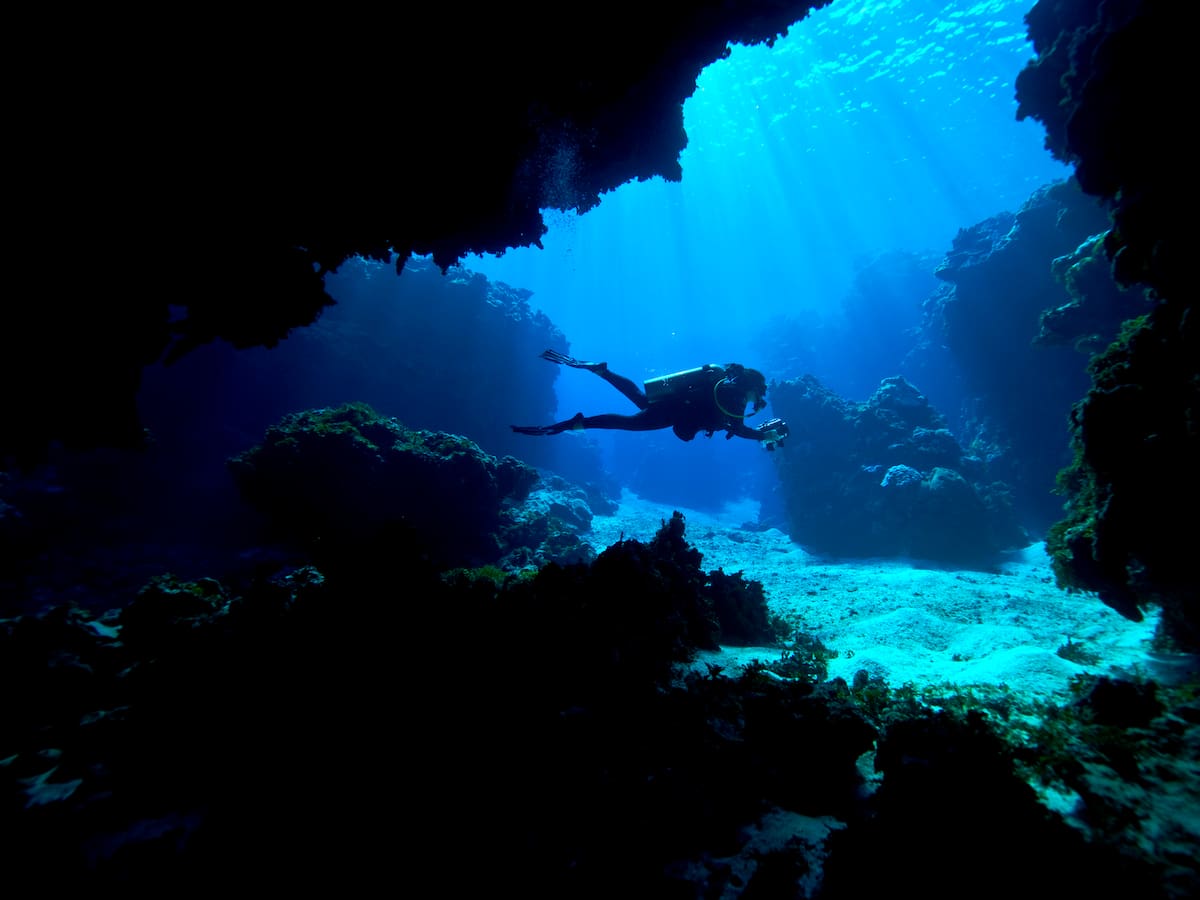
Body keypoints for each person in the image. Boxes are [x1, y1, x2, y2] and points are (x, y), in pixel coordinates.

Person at [512, 349, 789, 448]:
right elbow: (738, 429)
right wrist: (762, 437)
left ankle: (602, 372)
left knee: (639, 400)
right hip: (676, 412)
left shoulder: (726, 388)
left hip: (675, 405)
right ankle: (577, 422)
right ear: (751, 386)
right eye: (758, 393)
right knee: (630, 423)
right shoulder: (735, 398)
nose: (756, 399)